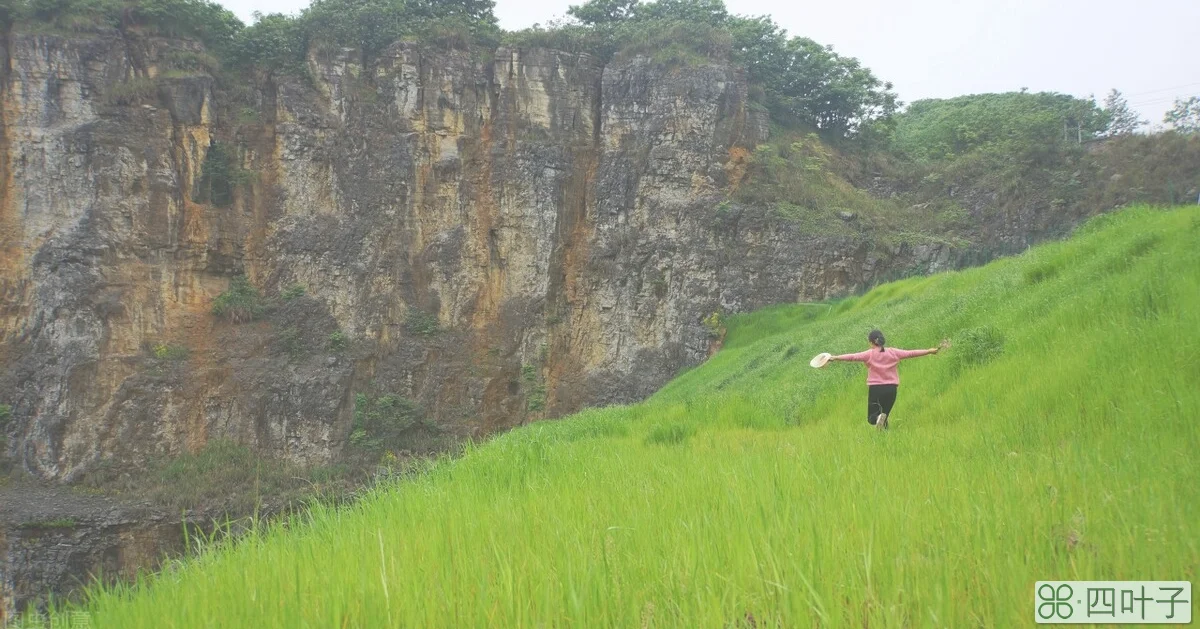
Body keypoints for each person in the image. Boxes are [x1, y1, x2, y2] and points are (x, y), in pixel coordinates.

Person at [828, 329, 941, 430]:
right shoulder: (893, 352)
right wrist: (929, 351)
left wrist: (835, 357)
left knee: (872, 418)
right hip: (891, 389)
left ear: (871, 342)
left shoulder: (870, 354)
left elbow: (852, 357)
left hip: (876, 389)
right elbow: (911, 353)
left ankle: (878, 420)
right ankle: (885, 438)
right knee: (884, 418)